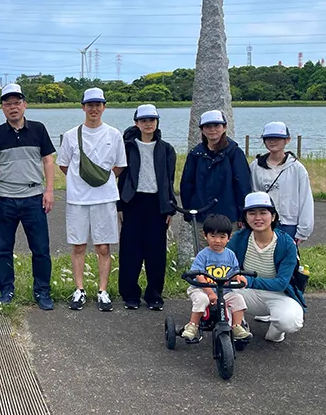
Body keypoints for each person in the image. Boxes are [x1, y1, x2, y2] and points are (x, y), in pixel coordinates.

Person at [0, 83, 55, 310]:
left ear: (24, 104)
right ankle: (6, 289)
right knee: (3, 249)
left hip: (34, 197)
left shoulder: (38, 129)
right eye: (7, 104)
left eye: (17, 103)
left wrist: (50, 190)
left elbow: (48, 160)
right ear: (2, 108)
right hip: (5, 198)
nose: (13, 108)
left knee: (41, 249)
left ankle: (42, 291)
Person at [56, 88, 126, 312]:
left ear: (104, 107)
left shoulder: (114, 134)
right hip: (77, 200)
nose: (94, 109)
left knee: (103, 247)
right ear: (82, 107)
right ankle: (79, 289)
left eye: (98, 104)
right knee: (78, 246)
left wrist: (100, 181)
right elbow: (63, 164)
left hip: (104, 198)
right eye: (90, 104)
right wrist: (81, 181)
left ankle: (103, 290)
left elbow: (119, 166)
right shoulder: (70, 135)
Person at [117, 104, 177, 311]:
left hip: (156, 203)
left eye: (152, 120)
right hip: (132, 202)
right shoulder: (127, 146)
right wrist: (120, 206)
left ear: (157, 122)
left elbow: (169, 181)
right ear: (136, 123)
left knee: (156, 252)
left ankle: (154, 294)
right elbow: (121, 178)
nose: (148, 124)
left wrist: (170, 207)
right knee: (130, 250)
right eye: (143, 120)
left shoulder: (167, 149)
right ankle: (130, 294)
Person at [228, 192, 305, 343]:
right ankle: (239, 325)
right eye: (252, 213)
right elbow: (226, 267)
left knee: (290, 321)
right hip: (246, 293)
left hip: (278, 294)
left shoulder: (287, 243)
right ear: (246, 217)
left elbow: (281, 283)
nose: (258, 218)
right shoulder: (239, 238)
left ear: (273, 216)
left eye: (263, 212)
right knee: (222, 295)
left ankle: (276, 332)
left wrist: (248, 281)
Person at [180, 110, 251, 247]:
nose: (212, 130)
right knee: (204, 256)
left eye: (217, 125)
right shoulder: (195, 154)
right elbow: (187, 185)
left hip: (229, 217)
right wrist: (189, 211)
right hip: (202, 217)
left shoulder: (234, 153)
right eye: (208, 126)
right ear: (202, 130)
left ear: (224, 127)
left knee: (229, 255)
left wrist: (243, 215)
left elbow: (243, 186)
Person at [181, 214, 253, 343]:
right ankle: (193, 325)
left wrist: (239, 277)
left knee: (238, 299)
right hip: (201, 289)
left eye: (222, 237)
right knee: (202, 300)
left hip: (223, 291)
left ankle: (237, 326)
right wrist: (210, 293)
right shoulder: (203, 255)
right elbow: (199, 275)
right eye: (213, 236)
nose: (217, 241)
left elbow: (235, 271)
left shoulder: (230, 255)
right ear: (205, 235)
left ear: (229, 238)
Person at [250, 121, 314, 244]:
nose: (272, 142)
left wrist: (303, 230)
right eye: (268, 138)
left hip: (288, 224)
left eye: (278, 138)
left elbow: (305, 199)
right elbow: (252, 194)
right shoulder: (256, 166)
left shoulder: (297, 168)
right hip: (262, 223)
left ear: (287, 140)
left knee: (287, 260)